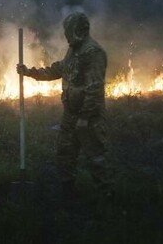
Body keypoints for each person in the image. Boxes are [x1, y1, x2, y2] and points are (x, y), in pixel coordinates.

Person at [17, 12, 112, 200]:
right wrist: (29, 72)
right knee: (65, 155)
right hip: (70, 115)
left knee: (96, 158)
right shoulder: (74, 51)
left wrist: (85, 118)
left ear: (78, 30)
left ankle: (107, 197)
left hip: (89, 118)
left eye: (68, 31)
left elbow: (94, 88)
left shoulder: (93, 53)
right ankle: (68, 195)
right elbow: (58, 69)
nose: (66, 35)